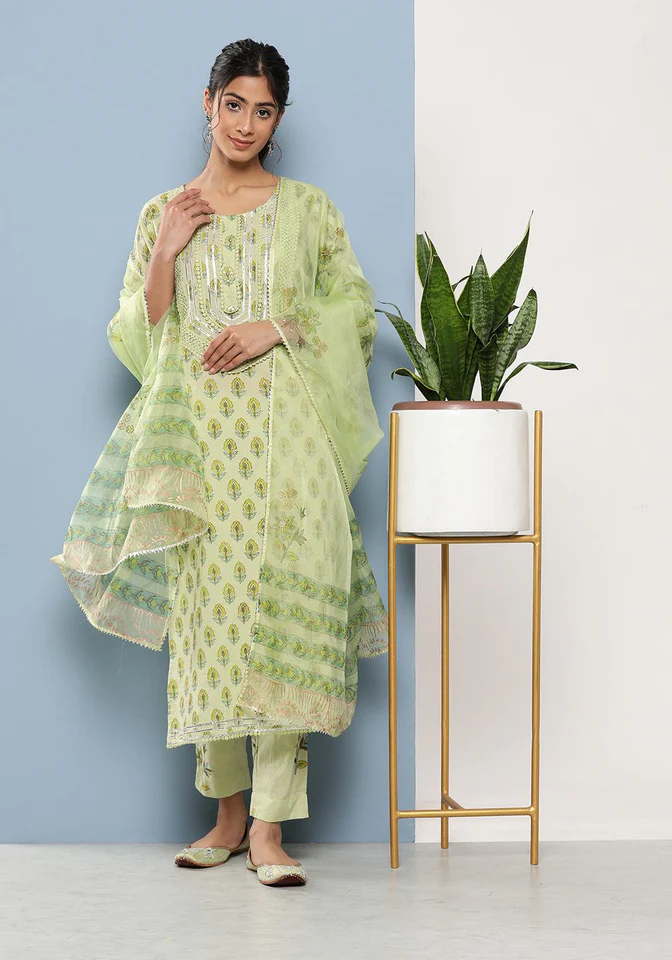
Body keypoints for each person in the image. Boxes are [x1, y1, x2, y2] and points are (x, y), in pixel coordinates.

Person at [49, 38, 388, 888]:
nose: (246, 124)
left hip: (288, 451)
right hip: (199, 452)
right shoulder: (164, 210)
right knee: (211, 627)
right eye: (233, 104)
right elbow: (142, 335)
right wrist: (167, 246)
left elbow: (354, 308)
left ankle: (270, 829)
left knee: (279, 627)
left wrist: (278, 327)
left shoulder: (307, 210)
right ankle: (228, 818)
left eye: (263, 110)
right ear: (208, 104)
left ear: (279, 119)